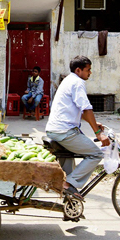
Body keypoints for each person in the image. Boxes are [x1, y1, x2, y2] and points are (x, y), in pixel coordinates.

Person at [45, 56, 110, 200]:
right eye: (88, 70)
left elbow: (77, 110)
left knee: (68, 165)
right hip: (65, 131)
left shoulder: (68, 80)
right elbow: (86, 108)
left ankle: (69, 202)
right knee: (96, 154)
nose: (90, 73)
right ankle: (68, 184)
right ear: (78, 70)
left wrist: (93, 122)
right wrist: (98, 133)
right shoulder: (78, 82)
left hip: (56, 129)